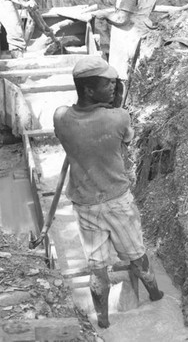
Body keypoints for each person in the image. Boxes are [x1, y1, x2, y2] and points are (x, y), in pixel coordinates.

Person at [53, 55, 163, 329]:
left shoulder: (60, 116)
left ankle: (102, 319)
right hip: (117, 202)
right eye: (108, 84)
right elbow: (127, 138)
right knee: (136, 254)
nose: (114, 88)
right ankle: (156, 294)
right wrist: (113, 105)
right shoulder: (118, 117)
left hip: (84, 204)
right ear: (89, 89)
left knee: (97, 266)